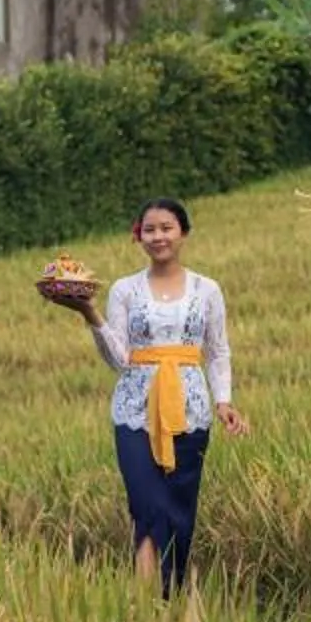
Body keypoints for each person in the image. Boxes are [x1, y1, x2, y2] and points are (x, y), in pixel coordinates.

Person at [65, 199, 247, 596]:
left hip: (190, 409)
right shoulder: (124, 289)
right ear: (139, 236)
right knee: (147, 505)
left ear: (183, 233)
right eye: (149, 229)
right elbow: (119, 358)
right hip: (134, 409)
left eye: (166, 227)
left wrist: (224, 401)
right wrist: (89, 313)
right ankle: (146, 602)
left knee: (180, 509)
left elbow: (217, 351)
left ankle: (170, 597)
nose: (158, 236)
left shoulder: (207, 289)